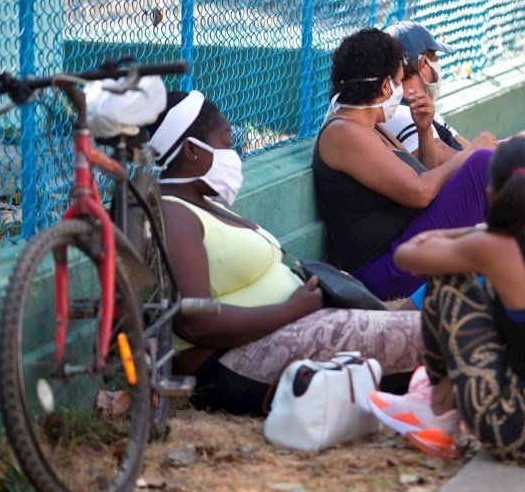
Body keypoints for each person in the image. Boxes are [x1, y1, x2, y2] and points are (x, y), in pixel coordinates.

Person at [146, 91, 425, 415]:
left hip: (286, 331)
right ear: (193, 151)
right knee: (433, 337)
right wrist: (291, 310)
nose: (233, 155)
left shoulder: (200, 204)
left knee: (443, 311)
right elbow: (194, 324)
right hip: (234, 361)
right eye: (225, 143)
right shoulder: (175, 214)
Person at [369, 138, 525, 462]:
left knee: (448, 277)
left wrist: (476, 231)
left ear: (492, 198)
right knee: (502, 294)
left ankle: (437, 411)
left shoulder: (496, 247)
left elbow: (409, 255)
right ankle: (437, 405)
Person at [314, 28, 525, 301]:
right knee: (482, 163)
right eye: (399, 82)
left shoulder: (371, 126)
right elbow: (420, 193)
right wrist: (468, 153)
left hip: (410, 247)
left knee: (494, 169)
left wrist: (424, 131)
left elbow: (425, 177)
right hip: (384, 270)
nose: (401, 91)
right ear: (385, 86)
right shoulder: (344, 132)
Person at [382, 20, 525, 171]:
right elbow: (458, 162)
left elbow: (470, 149)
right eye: (435, 58)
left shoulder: (423, 105)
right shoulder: (401, 113)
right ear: (424, 64)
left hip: (472, 179)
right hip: (462, 198)